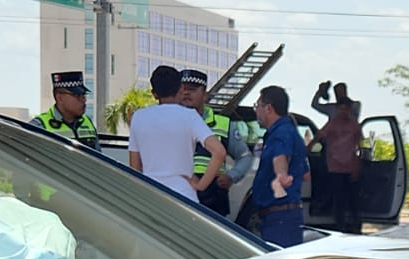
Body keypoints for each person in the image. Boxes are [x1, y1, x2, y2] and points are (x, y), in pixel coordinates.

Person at [127, 65, 226, 204]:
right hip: (184, 196)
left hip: (151, 197)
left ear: (154, 93)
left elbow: (135, 168)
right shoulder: (190, 116)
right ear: (180, 89)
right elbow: (219, 152)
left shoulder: (138, 117)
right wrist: (201, 185)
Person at [175, 68, 253, 219]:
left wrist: (231, 176)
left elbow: (245, 156)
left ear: (205, 95)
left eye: (191, 90)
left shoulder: (222, 123)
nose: (186, 93)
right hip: (180, 190)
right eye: (182, 89)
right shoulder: (169, 121)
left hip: (212, 197)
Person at [250, 85, 308, 247]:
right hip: (283, 216)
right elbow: (306, 175)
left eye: (257, 106)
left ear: (268, 108)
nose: (256, 111)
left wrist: (281, 174)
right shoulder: (289, 132)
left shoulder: (281, 133)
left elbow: (280, 157)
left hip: (280, 218)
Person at [314, 98, 363, 233]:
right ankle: (339, 226)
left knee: (353, 199)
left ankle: (355, 225)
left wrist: (357, 166)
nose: (342, 112)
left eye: (345, 109)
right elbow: (319, 136)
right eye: (340, 109)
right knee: (339, 198)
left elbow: (359, 146)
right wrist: (307, 148)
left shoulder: (354, 125)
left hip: (350, 166)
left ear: (349, 110)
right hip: (335, 167)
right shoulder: (332, 124)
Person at [31, 71, 100, 150]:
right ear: (59, 98)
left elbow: (99, 158)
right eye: (77, 95)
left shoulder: (88, 122)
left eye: (84, 94)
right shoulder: (40, 126)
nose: (83, 99)